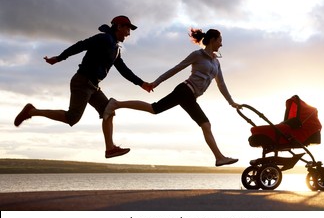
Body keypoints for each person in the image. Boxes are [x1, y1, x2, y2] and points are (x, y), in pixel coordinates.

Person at [14, 15, 151, 158]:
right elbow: (81, 45)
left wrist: (141, 84)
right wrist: (59, 58)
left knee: (108, 111)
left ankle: (110, 148)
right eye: (127, 29)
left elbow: (123, 69)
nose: (129, 33)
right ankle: (31, 111)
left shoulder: (115, 48)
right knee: (71, 118)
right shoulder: (103, 39)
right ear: (119, 27)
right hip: (82, 82)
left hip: (94, 86)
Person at [103, 28, 241, 166]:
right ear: (213, 40)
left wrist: (231, 102)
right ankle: (219, 157)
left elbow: (221, 84)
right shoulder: (197, 55)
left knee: (154, 109)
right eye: (220, 41)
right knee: (204, 124)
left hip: (190, 96)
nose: (221, 44)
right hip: (185, 91)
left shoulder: (216, 62)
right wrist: (156, 83)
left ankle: (117, 104)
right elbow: (176, 68)